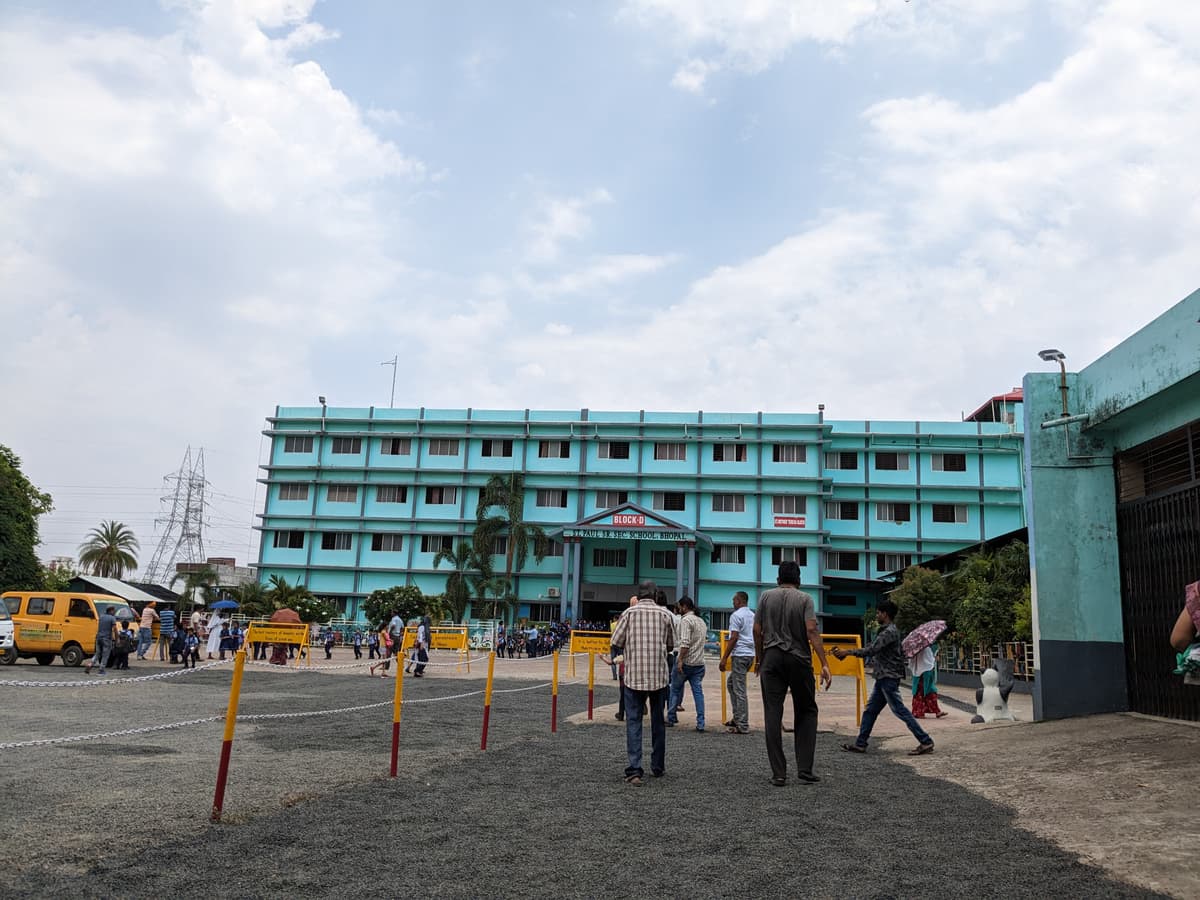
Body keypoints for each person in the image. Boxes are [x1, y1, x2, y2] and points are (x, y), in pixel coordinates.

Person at [754, 561, 831, 786]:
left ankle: (779, 773)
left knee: (772, 712)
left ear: (778, 579)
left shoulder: (765, 597)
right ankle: (805, 769)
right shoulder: (805, 599)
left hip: (771, 658)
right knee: (806, 709)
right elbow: (811, 630)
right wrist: (824, 663)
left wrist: (760, 658)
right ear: (799, 580)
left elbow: (757, 630)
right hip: (799, 659)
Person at [836, 599, 935, 756]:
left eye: (878, 613)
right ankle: (860, 743)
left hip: (888, 677)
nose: (877, 615)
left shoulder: (889, 632)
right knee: (870, 711)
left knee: (900, 711)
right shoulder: (888, 631)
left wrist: (848, 652)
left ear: (885, 614)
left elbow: (872, 649)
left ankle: (925, 740)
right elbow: (876, 648)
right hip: (884, 677)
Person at [609, 581, 674, 786]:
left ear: (639, 594)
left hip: (634, 677)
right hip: (659, 677)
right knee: (657, 723)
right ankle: (658, 766)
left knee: (634, 722)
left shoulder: (629, 614)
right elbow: (671, 644)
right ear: (655, 594)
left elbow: (615, 642)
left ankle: (635, 770)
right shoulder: (665, 615)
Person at [667, 596, 707, 731]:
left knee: (674, 690)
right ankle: (701, 722)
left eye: (679, 606)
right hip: (699, 663)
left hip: (685, 662)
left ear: (684, 607)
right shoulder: (701, 621)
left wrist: (680, 660)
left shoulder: (686, 621)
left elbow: (685, 643)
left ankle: (671, 717)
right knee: (698, 693)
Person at [719, 591, 755, 734]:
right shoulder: (753, 615)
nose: (732, 603)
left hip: (740, 655)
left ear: (739, 601)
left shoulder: (736, 616)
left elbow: (733, 638)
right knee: (731, 683)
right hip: (750, 654)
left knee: (739, 689)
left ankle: (743, 724)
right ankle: (737, 717)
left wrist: (724, 658)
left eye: (734, 600)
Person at [909, 642, 948, 719]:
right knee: (929, 692)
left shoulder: (913, 650)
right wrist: (934, 659)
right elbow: (929, 660)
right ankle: (925, 712)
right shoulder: (926, 648)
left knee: (921, 693)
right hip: (926, 673)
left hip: (917, 674)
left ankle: (923, 712)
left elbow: (911, 662)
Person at [86, 606, 119, 675]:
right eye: (114, 611)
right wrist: (117, 639)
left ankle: (90, 664)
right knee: (105, 655)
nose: (115, 612)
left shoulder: (101, 617)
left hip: (98, 638)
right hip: (106, 639)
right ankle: (101, 670)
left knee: (98, 653)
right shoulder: (112, 618)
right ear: (111, 611)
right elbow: (115, 629)